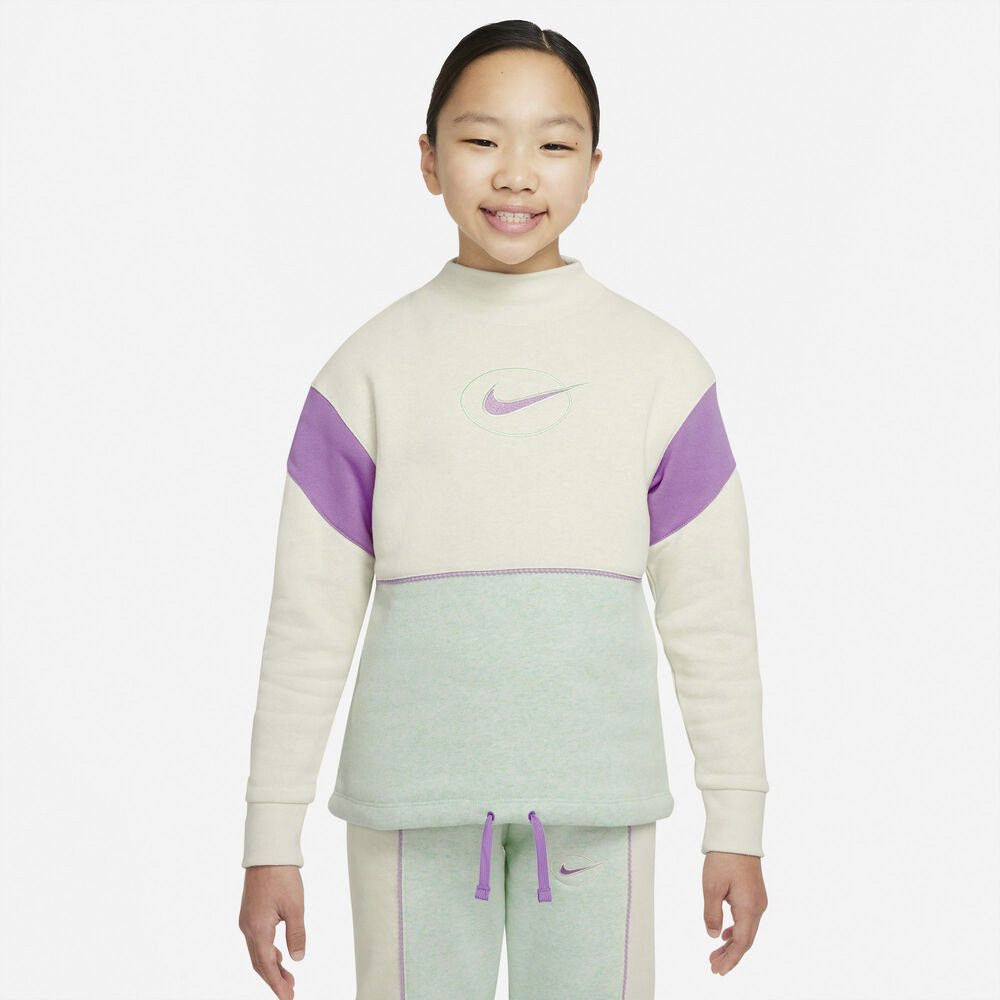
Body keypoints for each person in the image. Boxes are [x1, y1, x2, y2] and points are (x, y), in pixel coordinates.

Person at [238, 19, 769, 1000]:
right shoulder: (365, 371)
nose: (517, 172)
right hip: (408, 811)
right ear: (428, 159)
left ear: (594, 168)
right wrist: (271, 836)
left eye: (553, 143)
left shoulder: (661, 369)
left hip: (599, 808)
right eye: (482, 139)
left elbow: (712, 617)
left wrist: (735, 820)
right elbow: (307, 621)